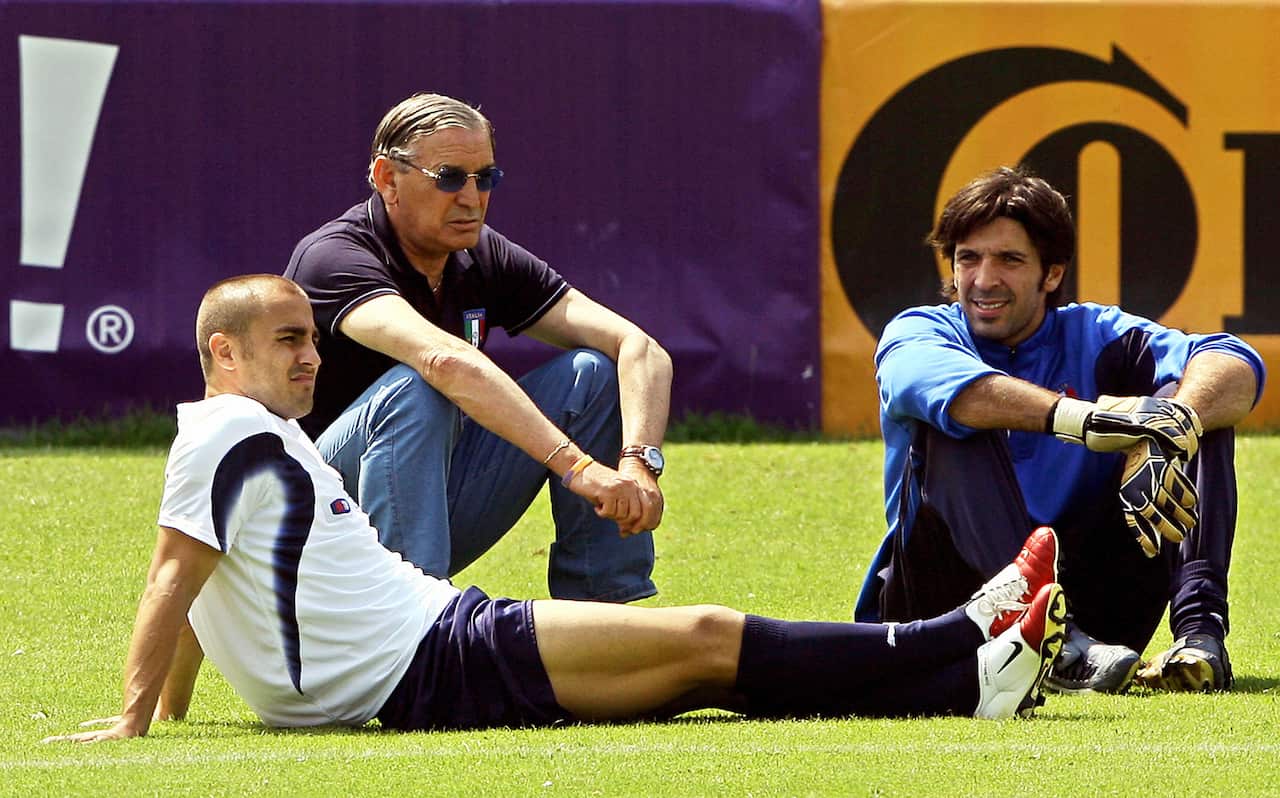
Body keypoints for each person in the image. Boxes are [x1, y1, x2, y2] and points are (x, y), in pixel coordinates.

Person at [45, 275, 1069, 743]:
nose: (312, 357)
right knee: (702, 640)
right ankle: (956, 640)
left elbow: (199, 582)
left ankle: (964, 676)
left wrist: (171, 715)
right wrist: (136, 721)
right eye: (287, 342)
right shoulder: (228, 431)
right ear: (222, 352)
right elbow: (173, 575)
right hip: (433, 659)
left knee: (696, 667)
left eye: (312, 338)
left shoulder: (241, 436)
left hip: (431, 650)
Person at [854, 166, 1266, 694]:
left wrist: (1170, 422)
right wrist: (1094, 422)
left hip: (1095, 613)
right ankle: (1058, 643)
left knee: (1193, 413)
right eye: (968, 258)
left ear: (1051, 274)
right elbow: (960, 393)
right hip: (941, 607)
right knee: (953, 423)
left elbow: (1233, 362)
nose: (983, 279)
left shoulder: (1096, 333)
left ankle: (1199, 638)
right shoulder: (920, 330)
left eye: (1009, 260)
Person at [282, 92, 671, 602]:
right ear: (387, 179)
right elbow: (443, 360)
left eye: (484, 177)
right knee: (416, 385)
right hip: (318, 527)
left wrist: (639, 462)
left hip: (424, 503)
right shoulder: (334, 256)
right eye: (448, 178)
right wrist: (577, 467)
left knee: (591, 374)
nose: (472, 198)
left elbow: (639, 347)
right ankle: (419, 623)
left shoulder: (480, 252)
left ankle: (609, 614)